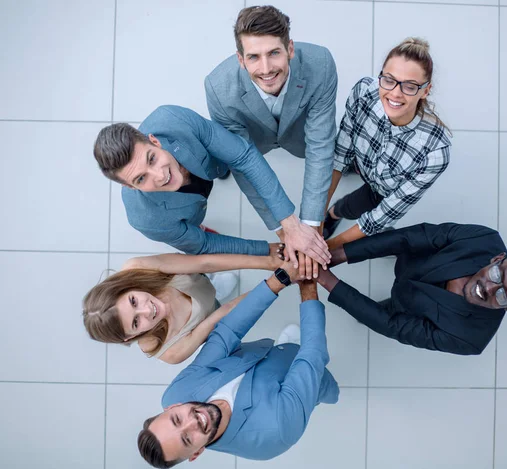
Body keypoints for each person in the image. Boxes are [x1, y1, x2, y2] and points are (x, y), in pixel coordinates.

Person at [136, 263, 338, 465]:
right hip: (308, 380)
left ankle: (283, 349)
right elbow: (312, 357)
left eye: (177, 419)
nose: (193, 421)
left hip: (263, 357)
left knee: (284, 352)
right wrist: (308, 285)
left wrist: (281, 279)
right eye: (187, 439)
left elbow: (225, 335)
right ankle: (292, 354)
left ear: (173, 406)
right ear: (196, 453)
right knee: (326, 386)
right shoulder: (275, 431)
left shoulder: (177, 393)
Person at [93, 105, 330, 270]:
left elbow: (243, 157)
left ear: (154, 140)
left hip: (212, 165)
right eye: (141, 179)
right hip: (188, 214)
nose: (159, 176)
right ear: (130, 187)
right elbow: (204, 244)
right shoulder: (146, 220)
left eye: (152, 158)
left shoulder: (173, 119)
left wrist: (290, 226)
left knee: (225, 160)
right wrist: (268, 249)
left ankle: (217, 169)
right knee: (198, 236)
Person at [205, 5, 337, 279]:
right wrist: (287, 229)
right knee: (231, 160)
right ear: (240, 60)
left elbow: (320, 147)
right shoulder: (218, 88)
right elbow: (243, 163)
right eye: (254, 57)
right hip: (254, 140)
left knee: (325, 153)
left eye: (274, 53)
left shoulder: (320, 64)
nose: (265, 69)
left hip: (299, 137)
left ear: (290, 48)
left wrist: (309, 228)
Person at [316, 222, 507, 356]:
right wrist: (339, 255)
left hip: (405, 308)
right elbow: (408, 239)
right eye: (496, 275)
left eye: (504, 295)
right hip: (410, 258)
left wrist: (327, 280)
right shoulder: (483, 239)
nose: (489, 288)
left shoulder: (469, 339)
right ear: (497, 259)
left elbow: (392, 325)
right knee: (391, 241)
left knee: (377, 315)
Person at [323, 37, 452, 250]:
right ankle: (329, 213)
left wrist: (328, 247)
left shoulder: (435, 151)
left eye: (410, 86)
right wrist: (314, 221)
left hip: (384, 188)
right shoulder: (364, 91)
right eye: (389, 80)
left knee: (355, 209)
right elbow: (340, 155)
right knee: (345, 171)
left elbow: (383, 214)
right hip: (361, 160)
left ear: (425, 91)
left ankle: (334, 213)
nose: (395, 93)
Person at [82, 244, 285, 364]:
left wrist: (271, 262)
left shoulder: (137, 269)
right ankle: (209, 295)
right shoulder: (170, 351)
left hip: (197, 277)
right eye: (136, 322)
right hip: (208, 314)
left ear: (125, 286)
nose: (147, 309)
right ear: (130, 337)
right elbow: (226, 311)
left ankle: (210, 286)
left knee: (204, 279)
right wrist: (281, 278)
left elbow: (204, 262)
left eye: (133, 301)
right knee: (215, 311)